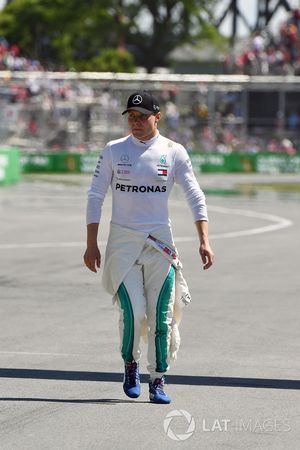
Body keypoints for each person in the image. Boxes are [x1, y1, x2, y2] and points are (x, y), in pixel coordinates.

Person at [84, 90, 214, 404]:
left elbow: (194, 196)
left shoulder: (174, 151)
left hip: (161, 246)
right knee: (134, 312)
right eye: (131, 117)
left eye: (143, 117)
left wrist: (204, 240)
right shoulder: (114, 150)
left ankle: (157, 378)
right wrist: (91, 244)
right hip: (122, 244)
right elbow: (95, 196)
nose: (136, 122)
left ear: (157, 117)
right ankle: (130, 365)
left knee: (161, 317)